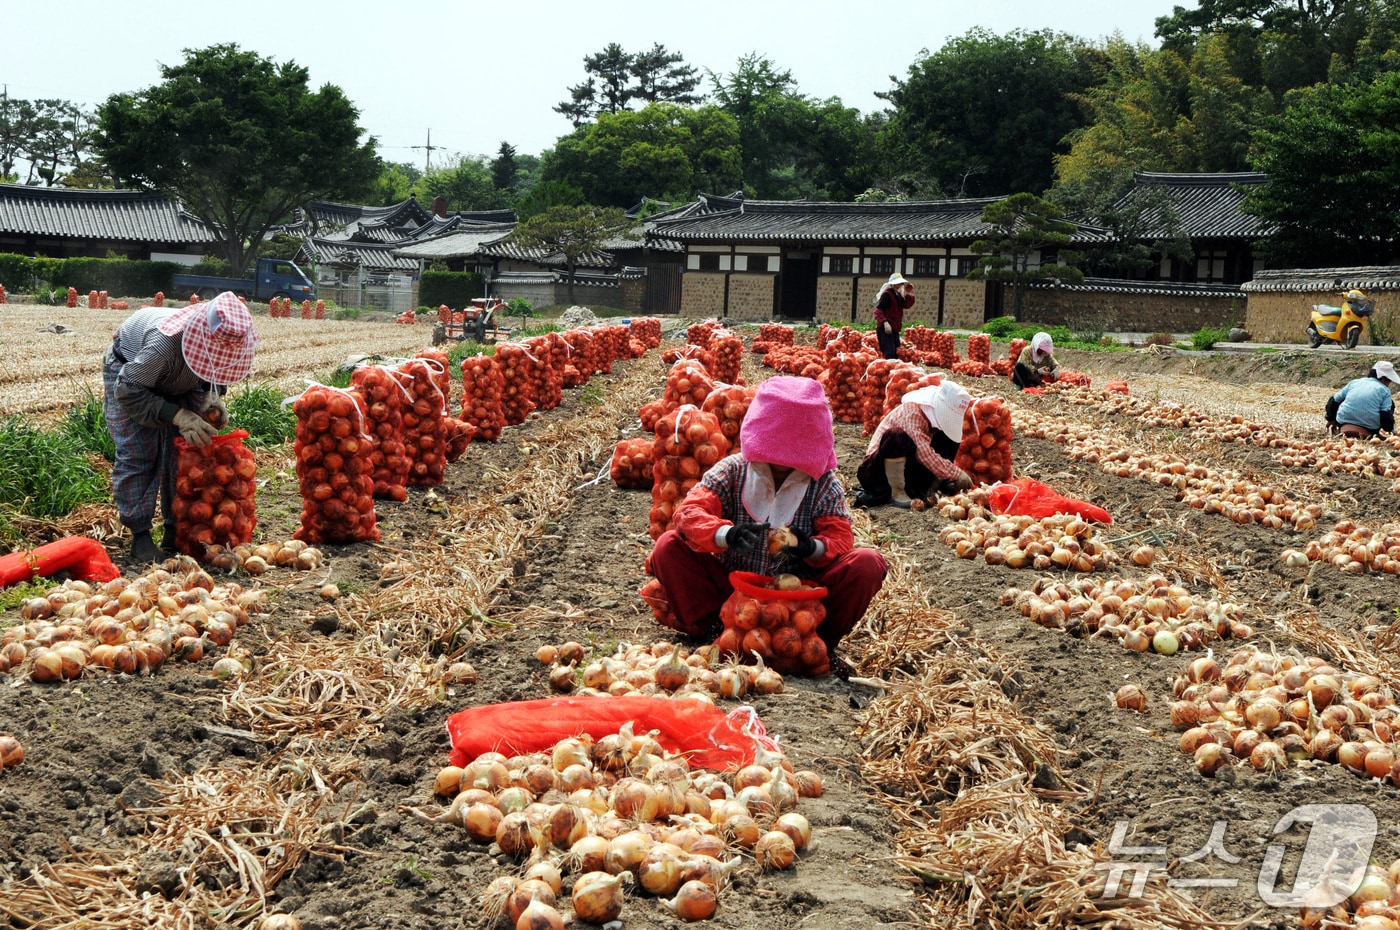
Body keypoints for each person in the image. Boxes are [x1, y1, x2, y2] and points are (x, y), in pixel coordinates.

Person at [648, 376, 888, 679]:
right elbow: (689, 513)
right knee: (669, 545)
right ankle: (716, 632)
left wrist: (809, 546)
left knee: (867, 563)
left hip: (800, 601)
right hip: (732, 591)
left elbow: (840, 535)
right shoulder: (733, 470)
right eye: (775, 456)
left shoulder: (823, 483)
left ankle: (818, 645)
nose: (781, 465)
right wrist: (726, 534)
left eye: (791, 458)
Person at [103, 292, 259, 563]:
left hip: (179, 379)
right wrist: (178, 415)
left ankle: (176, 529)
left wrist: (213, 398)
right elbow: (128, 389)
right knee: (140, 453)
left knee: (188, 455)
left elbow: (215, 372)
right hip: (131, 377)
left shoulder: (221, 346)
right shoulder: (164, 344)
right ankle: (140, 535)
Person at [854, 380, 974, 508]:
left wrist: (949, 474)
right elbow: (923, 453)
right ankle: (897, 492)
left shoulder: (928, 417)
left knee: (948, 438)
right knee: (897, 436)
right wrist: (956, 473)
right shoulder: (913, 413)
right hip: (877, 472)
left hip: (906, 467)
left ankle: (934, 487)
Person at [1326, 360, 1398, 439]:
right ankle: (1375, 433)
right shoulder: (1385, 391)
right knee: (1390, 405)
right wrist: (1390, 429)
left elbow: (1334, 401)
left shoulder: (1355, 382)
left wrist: (1330, 418)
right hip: (1370, 427)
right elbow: (1385, 415)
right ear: (1383, 379)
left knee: (1343, 398)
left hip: (1343, 420)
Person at [873, 272, 914, 360]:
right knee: (889, 353)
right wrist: (885, 322)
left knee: (896, 351)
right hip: (885, 329)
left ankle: (894, 370)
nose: (900, 285)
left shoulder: (898, 295)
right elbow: (878, 310)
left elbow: (906, 305)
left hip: (894, 328)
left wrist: (908, 293)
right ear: (893, 284)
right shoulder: (887, 295)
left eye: (901, 284)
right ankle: (889, 371)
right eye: (898, 284)